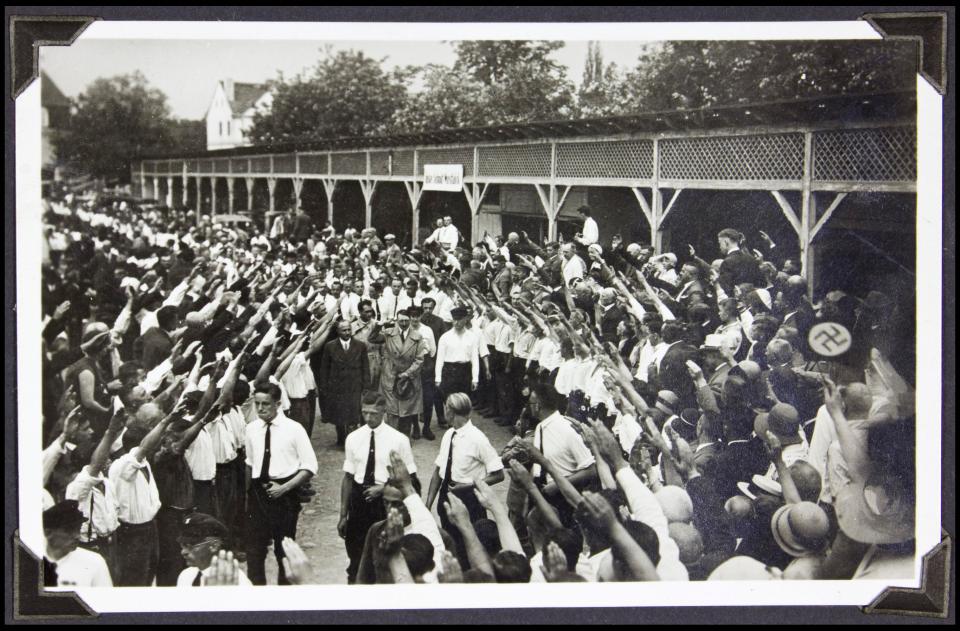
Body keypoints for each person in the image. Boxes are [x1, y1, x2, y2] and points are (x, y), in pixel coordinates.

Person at [339, 391, 418, 584]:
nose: (368, 418)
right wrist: (343, 515)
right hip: (359, 501)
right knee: (356, 555)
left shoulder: (398, 439)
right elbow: (348, 478)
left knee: (385, 554)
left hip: (385, 503)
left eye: (373, 413)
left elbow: (411, 480)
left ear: (384, 410)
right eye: (365, 413)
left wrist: (382, 489)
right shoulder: (353, 438)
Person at [244, 382, 318, 585]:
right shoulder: (251, 429)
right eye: (257, 404)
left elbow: (310, 466)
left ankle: (283, 598)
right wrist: (248, 494)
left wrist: (284, 488)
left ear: (277, 404)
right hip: (258, 494)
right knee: (254, 551)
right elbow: (250, 463)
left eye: (266, 404)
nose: (260, 409)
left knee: (283, 550)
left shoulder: (294, 429)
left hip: (285, 494)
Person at [425, 393, 505, 566]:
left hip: (470, 502)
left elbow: (498, 474)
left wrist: (469, 485)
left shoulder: (478, 438)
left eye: (445, 408)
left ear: (450, 411)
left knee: (471, 549)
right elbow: (439, 470)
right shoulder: (448, 435)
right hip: (447, 498)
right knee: (451, 546)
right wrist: (428, 504)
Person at [318, 321, 371, 448]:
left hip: (354, 385)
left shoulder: (360, 346)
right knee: (339, 414)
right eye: (344, 330)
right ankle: (341, 438)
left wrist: (366, 386)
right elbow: (324, 368)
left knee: (354, 414)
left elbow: (365, 367)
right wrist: (324, 386)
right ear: (338, 331)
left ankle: (354, 440)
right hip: (337, 387)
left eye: (348, 330)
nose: (347, 333)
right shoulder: (330, 346)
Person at [377, 309, 429, 438]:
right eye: (401, 321)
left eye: (407, 320)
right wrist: (379, 325)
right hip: (391, 376)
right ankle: (391, 440)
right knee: (392, 411)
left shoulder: (417, 336)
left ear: (410, 320)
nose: (404, 323)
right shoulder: (388, 333)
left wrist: (406, 374)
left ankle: (404, 440)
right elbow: (372, 338)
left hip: (409, 378)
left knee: (407, 411)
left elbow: (419, 360)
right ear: (397, 320)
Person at [43, 500, 113, 588]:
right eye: (68, 530)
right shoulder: (33, 560)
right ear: (48, 533)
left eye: (78, 529)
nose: (77, 535)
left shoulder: (94, 562)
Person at [176, 512, 252, 586]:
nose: (183, 552)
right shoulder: (186, 576)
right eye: (183, 545)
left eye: (190, 546)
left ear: (214, 546)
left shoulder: (236, 581)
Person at [434, 306, 481, 406]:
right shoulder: (445, 337)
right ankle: (451, 422)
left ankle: (462, 422)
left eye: (459, 320)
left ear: (465, 319)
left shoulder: (472, 337)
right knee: (450, 402)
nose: (456, 323)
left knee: (463, 403)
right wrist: (438, 378)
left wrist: (475, 379)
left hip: (465, 371)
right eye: (454, 320)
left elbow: (475, 360)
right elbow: (439, 360)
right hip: (449, 372)